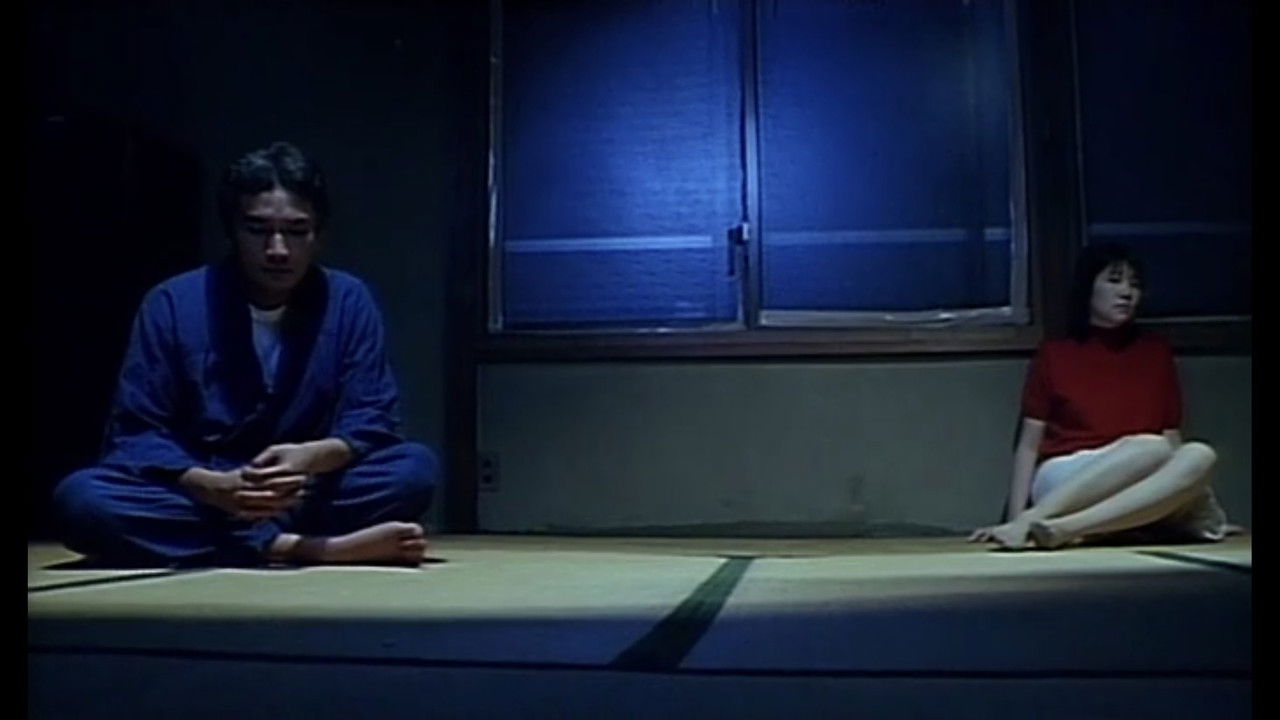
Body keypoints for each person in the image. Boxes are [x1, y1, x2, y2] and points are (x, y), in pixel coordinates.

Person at [52, 141, 437, 566]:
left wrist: (311, 457)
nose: (278, 250)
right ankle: (298, 547)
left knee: (413, 471)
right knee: (82, 499)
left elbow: (372, 417)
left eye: (297, 231)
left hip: (305, 485)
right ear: (232, 231)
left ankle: (242, 542)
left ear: (319, 235)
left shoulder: (347, 299)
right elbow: (138, 429)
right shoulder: (172, 302)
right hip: (205, 489)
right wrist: (212, 485)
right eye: (258, 230)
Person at [970, 242, 1233, 550]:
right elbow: (1029, 446)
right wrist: (1015, 518)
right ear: (1088, 288)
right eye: (1114, 280)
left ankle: (1066, 529)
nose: (1126, 292)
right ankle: (1036, 521)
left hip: (1142, 474)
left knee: (1200, 454)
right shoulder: (1055, 354)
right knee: (1150, 447)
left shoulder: (1156, 353)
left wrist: (1190, 489)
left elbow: (1171, 437)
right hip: (1069, 475)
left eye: (1134, 285)